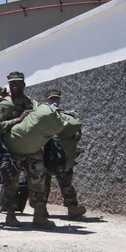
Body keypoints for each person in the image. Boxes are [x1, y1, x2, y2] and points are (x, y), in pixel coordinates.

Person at [0, 71, 56, 228]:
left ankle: (39, 215)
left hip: (33, 150)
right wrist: (18, 120)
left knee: (38, 181)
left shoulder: (32, 104)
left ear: (24, 85)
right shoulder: (5, 105)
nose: (15, 85)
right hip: (13, 150)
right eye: (12, 83)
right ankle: (11, 215)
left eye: (18, 83)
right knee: (11, 183)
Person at [43, 89, 87, 219]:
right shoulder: (42, 115)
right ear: (46, 101)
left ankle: (72, 208)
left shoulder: (67, 116)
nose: (54, 101)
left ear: (60, 100)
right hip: (46, 153)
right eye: (51, 99)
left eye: (56, 99)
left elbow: (77, 135)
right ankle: (41, 209)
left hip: (62, 155)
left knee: (66, 183)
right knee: (43, 184)